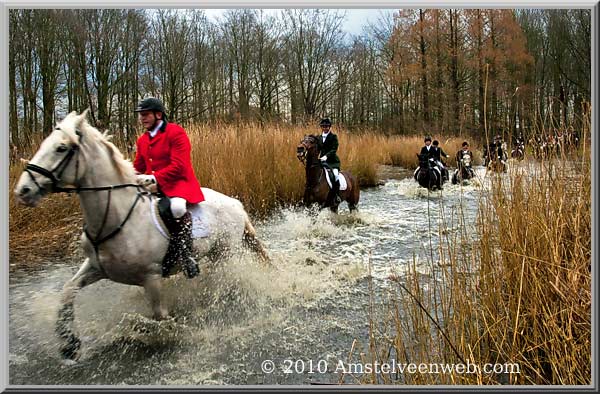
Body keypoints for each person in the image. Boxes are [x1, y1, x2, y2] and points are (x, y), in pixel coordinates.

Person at [133, 97, 204, 279]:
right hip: (153, 187)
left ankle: (187, 255)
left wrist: (154, 177)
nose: (142, 118)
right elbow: (138, 166)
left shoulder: (175, 132)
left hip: (179, 183)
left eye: (146, 114)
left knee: (177, 208)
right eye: (141, 115)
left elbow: (179, 165)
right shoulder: (142, 140)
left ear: (158, 114)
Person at [318, 118, 342, 205]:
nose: (325, 128)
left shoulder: (333, 137)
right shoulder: (319, 138)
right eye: (323, 126)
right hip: (321, 161)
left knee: (335, 175)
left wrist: (326, 156)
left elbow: (334, 149)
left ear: (329, 127)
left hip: (332, 162)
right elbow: (317, 149)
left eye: (326, 126)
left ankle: (336, 196)